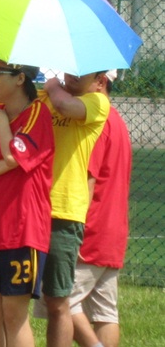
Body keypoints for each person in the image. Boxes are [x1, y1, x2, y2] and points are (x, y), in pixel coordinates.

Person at [0, 58, 55, 347]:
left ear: (20, 79)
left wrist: (4, 126)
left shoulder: (37, 114)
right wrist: (9, 163)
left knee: (14, 315)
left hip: (21, 230)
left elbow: (9, 156)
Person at [33, 71, 111, 347]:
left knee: (57, 301)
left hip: (64, 212)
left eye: (81, 71)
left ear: (98, 78)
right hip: (30, 206)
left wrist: (52, 84)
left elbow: (66, 107)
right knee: (12, 295)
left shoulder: (97, 103)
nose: (71, 74)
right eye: (68, 68)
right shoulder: (44, 97)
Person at [70, 70, 132, 347]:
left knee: (60, 299)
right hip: (113, 231)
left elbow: (88, 179)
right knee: (105, 312)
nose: (67, 80)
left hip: (90, 229)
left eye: (76, 77)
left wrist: (74, 225)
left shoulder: (97, 121)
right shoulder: (117, 120)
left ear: (100, 82)